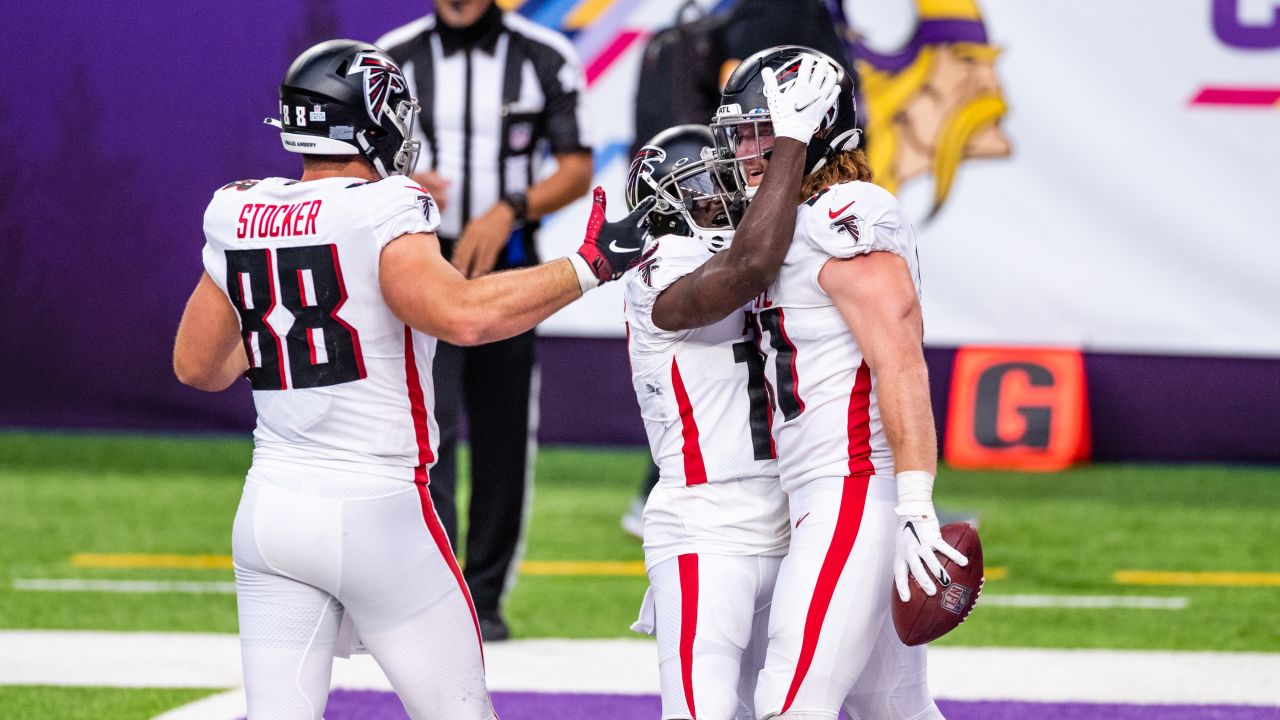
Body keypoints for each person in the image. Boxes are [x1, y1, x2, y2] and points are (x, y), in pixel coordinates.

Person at [171, 40, 650, 720]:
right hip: (377, 506)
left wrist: (294, 322)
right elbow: (464, 317)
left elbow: (200, 366)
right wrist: (590, 264)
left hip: (270, 505)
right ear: (371, 120)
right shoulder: (386, 204)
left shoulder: (239, 211)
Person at [708, 47, 967, 719]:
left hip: (853, 487)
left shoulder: (846, 213)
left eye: (759, 129)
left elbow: (900, 359)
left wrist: (913, 499)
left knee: (791, 703)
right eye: (739, 131)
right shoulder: (782, 224)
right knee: (896, 712)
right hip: (817, 491)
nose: (743, 147)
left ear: (814, 128)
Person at [624, 57, 842, 720]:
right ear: (661, 208)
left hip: (794, 514)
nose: (716, 200)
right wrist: (795, 141)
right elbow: (746, 267)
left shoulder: (773, 245)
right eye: (696, 191)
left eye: (720, 184)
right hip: (705, 529)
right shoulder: (660, 268)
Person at [377, 0, 594, 641]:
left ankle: (485, 601)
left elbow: (576, 167)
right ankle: (429, 594)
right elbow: (360, 164)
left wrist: (511, 208)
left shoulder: (543, 54)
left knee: (502, 439)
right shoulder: (396, 53)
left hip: (510, 266)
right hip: (419, 262)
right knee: (426, 432)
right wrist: (404, 180)